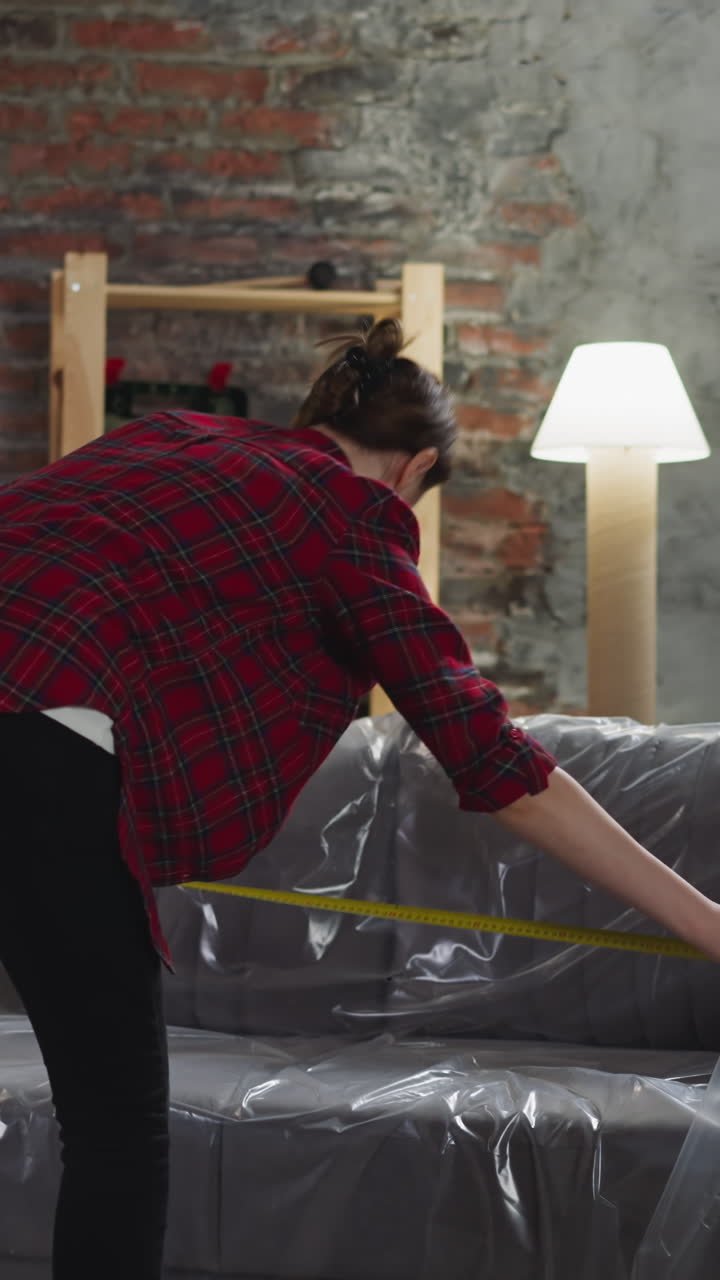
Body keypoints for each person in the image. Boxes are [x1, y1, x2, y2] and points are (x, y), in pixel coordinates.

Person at [0, 316, 718, 1279]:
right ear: (414, 468)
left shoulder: (168, 435)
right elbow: (498, 764)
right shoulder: (353, 511)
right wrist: (708, 924)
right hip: (40, 752)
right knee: (118, 1125)